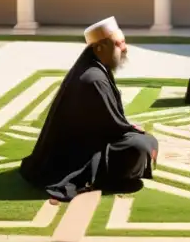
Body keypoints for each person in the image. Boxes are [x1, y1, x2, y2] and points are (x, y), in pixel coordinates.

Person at [19, 16, 158, 202]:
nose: (125, 48)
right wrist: (132, 131)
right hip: (78, 155)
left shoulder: (96, 69)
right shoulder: (93, 79)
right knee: (140, 146)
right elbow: (111, 129)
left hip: (88, 141)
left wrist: (128, 128)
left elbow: (104, 123)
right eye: (119, 44)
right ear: (100, 48)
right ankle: (100, 178)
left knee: (143, 141)